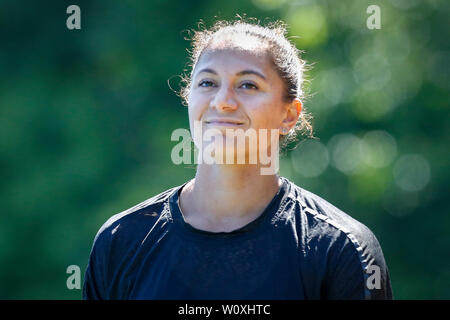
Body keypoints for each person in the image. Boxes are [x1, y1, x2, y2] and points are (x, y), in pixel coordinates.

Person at [83, 17, 393, 300]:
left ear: (289, 115)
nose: (223, 102)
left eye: (248, 85)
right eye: (207, 83)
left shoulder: (339, 248)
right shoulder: (120, 241)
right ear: (188, 97)